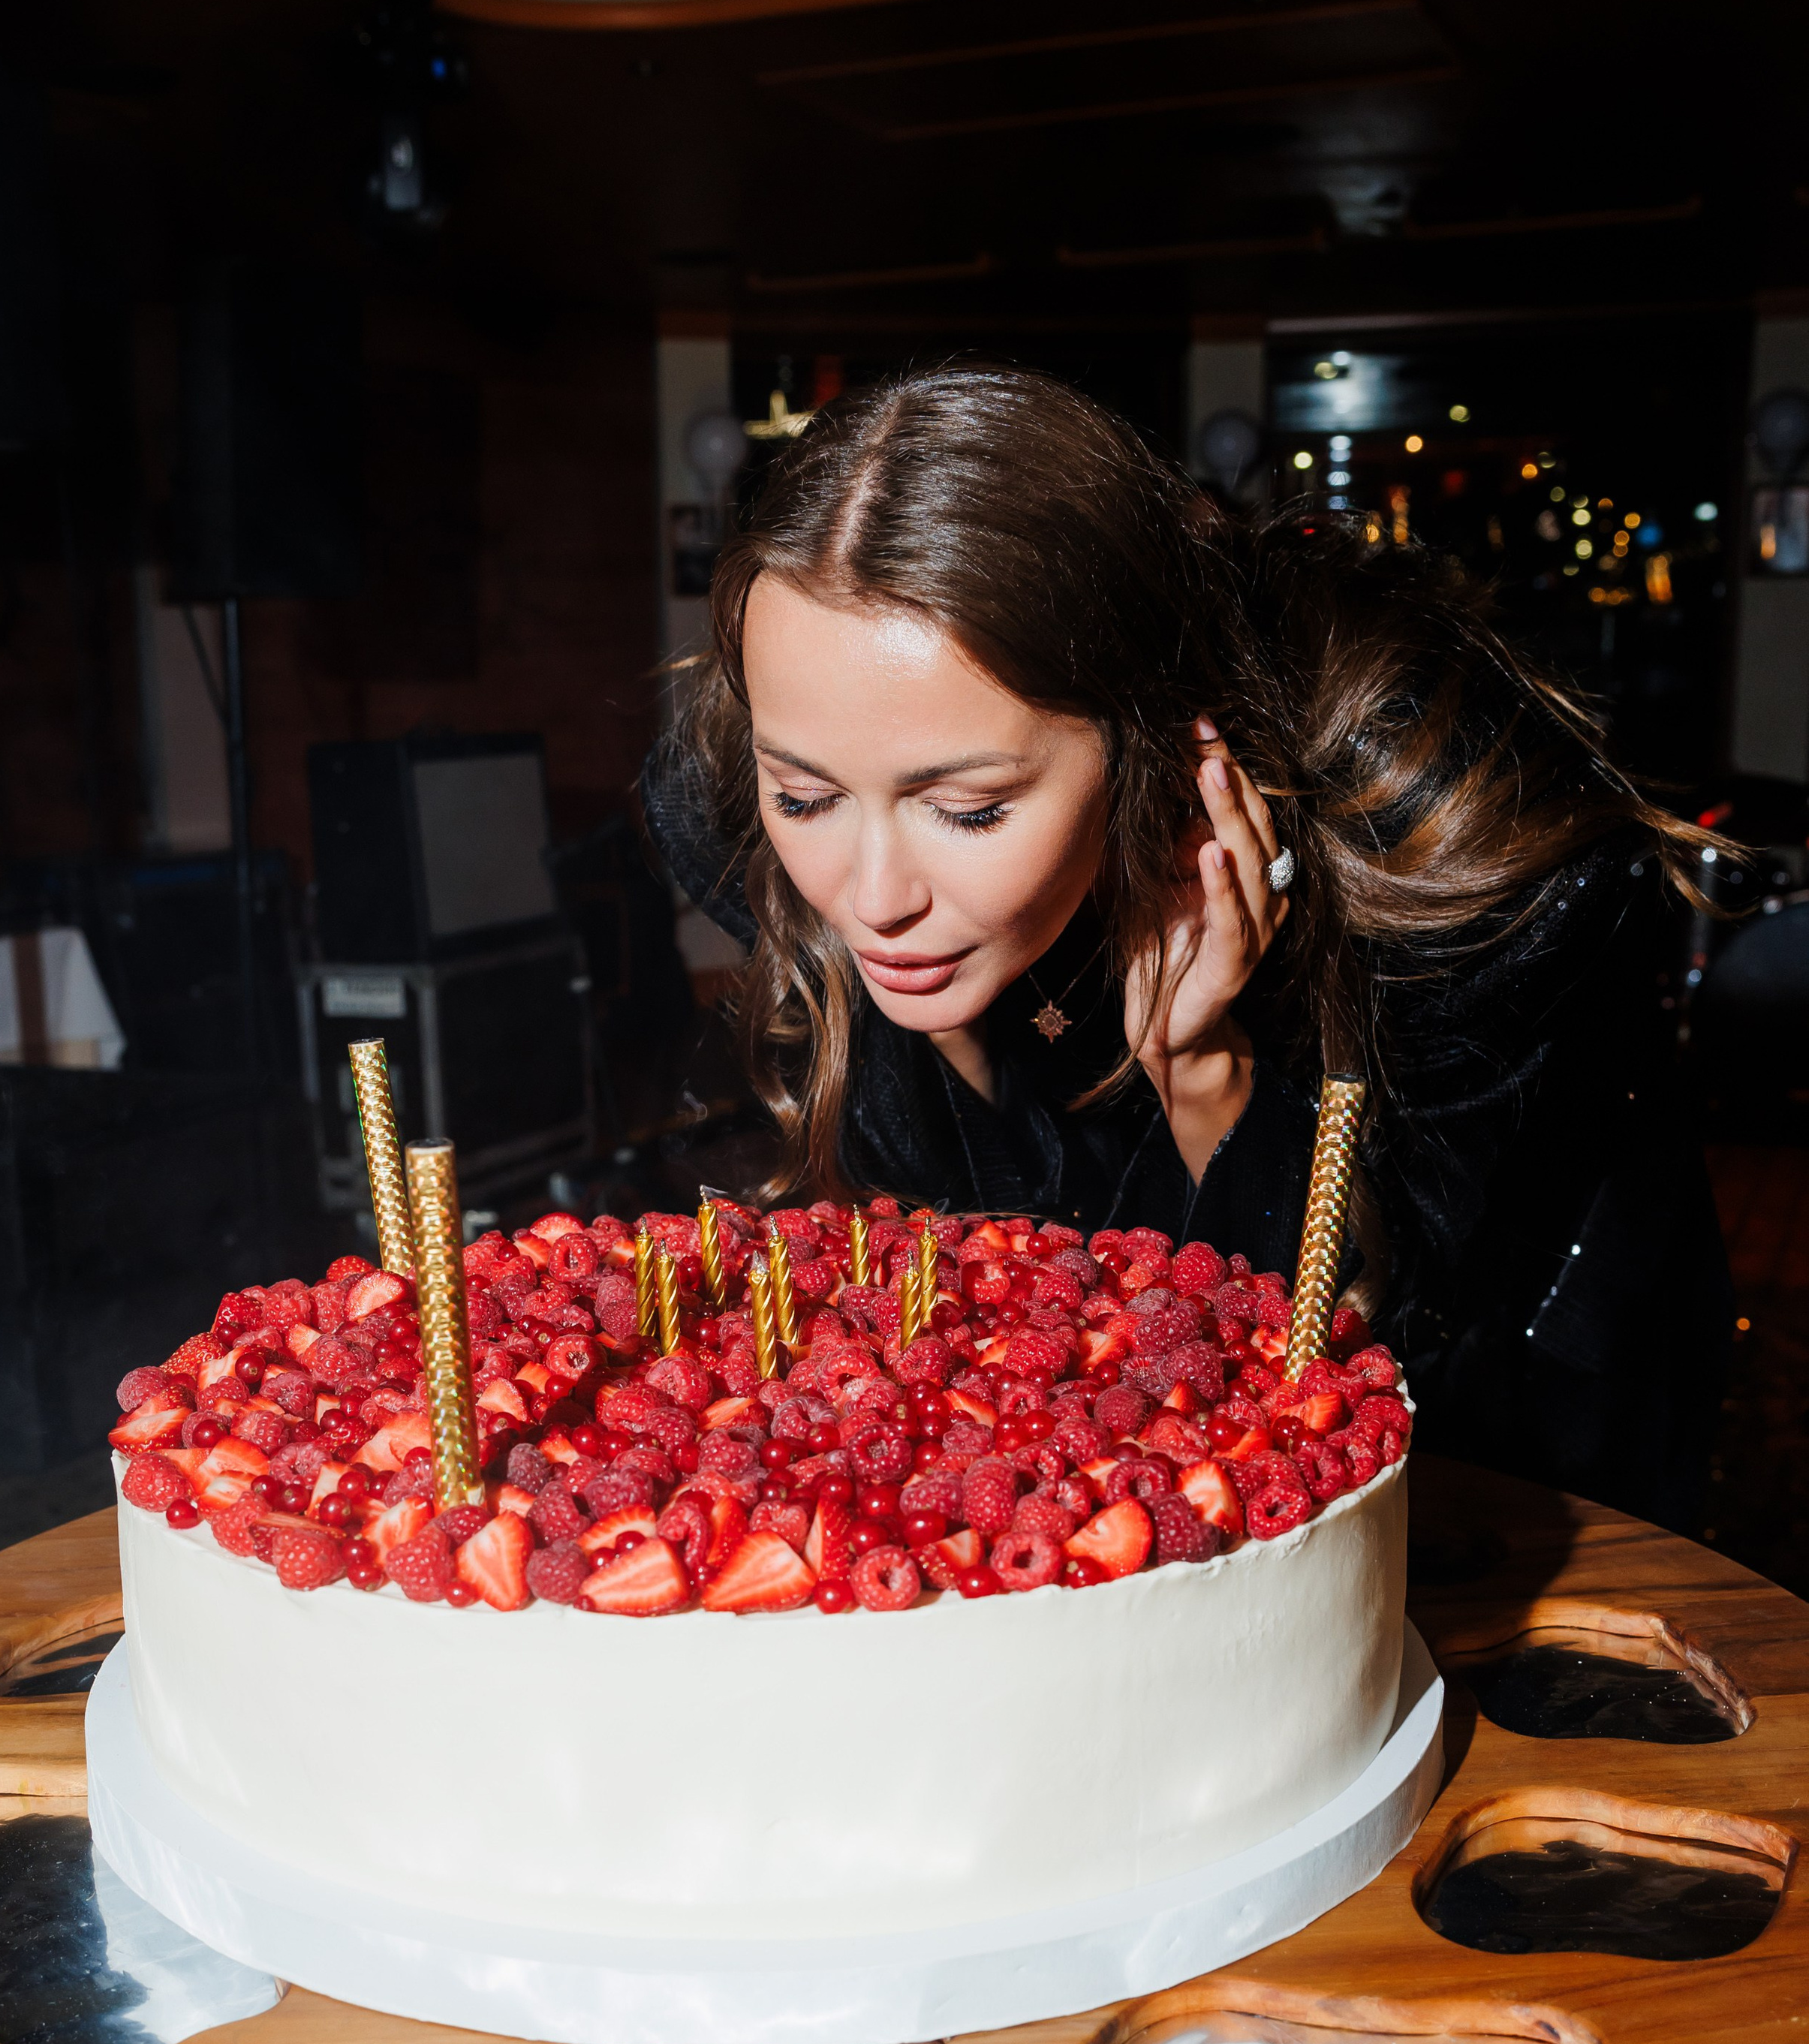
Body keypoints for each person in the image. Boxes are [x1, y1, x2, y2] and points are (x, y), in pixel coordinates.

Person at [643, 361, 1730, 1536]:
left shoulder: (1442, 880)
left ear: (1152, 743)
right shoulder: (731, 806)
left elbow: (1343, 1379)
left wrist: (1208, 1075)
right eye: (805, 796)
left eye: (966, 812)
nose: (869, 898)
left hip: (1527, 1400)